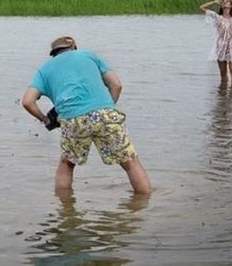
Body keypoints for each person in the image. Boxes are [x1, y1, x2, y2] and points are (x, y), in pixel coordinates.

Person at [21, 36, 151, 194]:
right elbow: (116, 85)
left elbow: (27, 101)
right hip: (105, 114)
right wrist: (107, 108)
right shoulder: (89, 55)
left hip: (73, 119)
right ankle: (144, 205)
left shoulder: (44, 70)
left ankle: (66, 211)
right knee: (130, 162)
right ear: (73, 47)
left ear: (53, 54)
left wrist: (46, 119)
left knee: (67, 164)